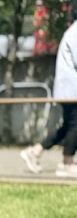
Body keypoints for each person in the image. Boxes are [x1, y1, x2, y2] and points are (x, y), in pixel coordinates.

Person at [20, 11, 77, 179]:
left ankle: (35, 151)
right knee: (75, 126)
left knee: (68, 125)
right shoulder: (75, 31)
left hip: (69, 89)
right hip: (71, 89)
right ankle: (66, 164)